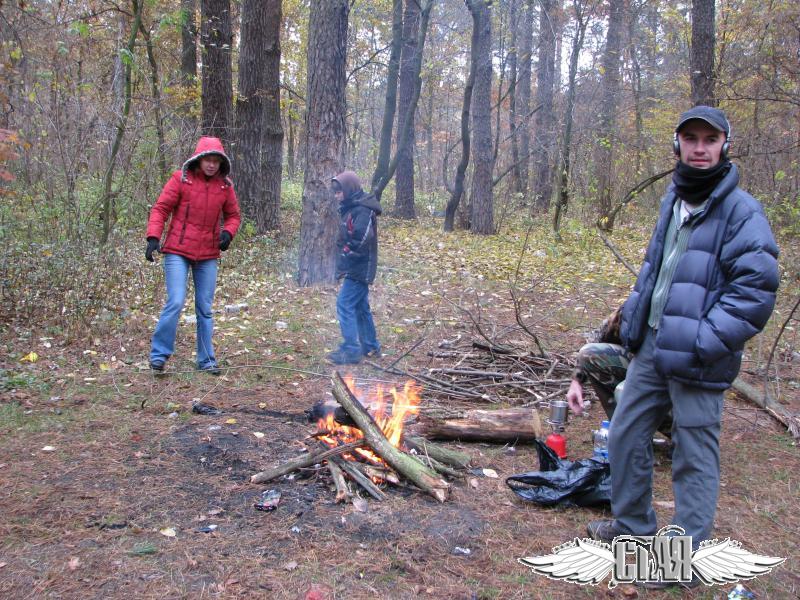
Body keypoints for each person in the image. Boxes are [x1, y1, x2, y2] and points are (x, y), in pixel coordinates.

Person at [582, 106, 779, 588]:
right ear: (678, 145)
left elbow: (756, 290)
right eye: (690, 139)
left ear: (724, 146)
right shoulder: (675, 198)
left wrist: (703, 340)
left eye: (709, 140)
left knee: (694, 455)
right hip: (652, 346)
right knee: (626, 434)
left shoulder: (741, 211)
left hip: (699, 356)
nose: (699, 148)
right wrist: (633, 321)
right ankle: (633, 529)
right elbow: (655, 269)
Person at [145, 136, 241, 375]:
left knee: (205, 308)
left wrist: (227, 233)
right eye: (207, 160)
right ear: (198, 160)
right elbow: (161, 208)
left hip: (208, 254)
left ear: (221, 163)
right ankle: (159, 355)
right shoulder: (181, 179)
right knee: (176, 301)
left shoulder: (225, 187)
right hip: (177, 250)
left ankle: (206, 359)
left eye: (216, 161)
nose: (211, 165)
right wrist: (153, 237)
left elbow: (233, 216)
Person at [567, 307, 672, 439]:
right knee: (589, 354)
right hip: (649, 369)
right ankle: (627, 437)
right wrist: (577, 380)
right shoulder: (647, 297)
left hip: (687, 385)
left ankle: (684, 438)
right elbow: (604, 332)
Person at [326, 170, 382, 365]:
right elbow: (346, 237)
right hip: (355, 265)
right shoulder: (350, 207)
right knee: (360, 306)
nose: (337, 195)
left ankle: (351, 350)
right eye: (335, 192)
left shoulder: (363, 209)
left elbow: (362, 238)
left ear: (349, 190)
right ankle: (371, 346)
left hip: (361, 266)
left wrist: (347, 254)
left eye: (339, 191)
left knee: (344, 303)